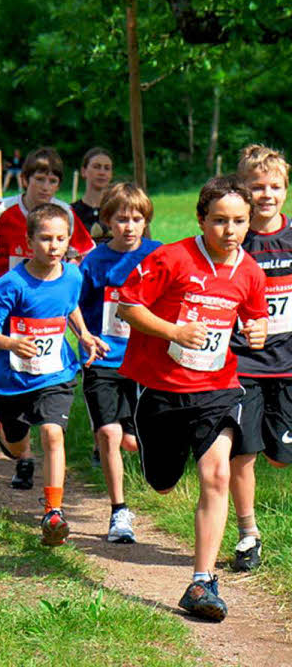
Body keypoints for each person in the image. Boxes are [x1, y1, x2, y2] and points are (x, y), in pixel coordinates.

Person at [117, 175, 267, 621]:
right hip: (160, 389)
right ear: (201, 219)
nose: (231, 230)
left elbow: (254, 321)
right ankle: (150, 452)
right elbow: (128, 306)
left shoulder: (251, 272)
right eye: (220, 220)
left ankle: (201, 582)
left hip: (216, 390)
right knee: (162, 482)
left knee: (216, 473)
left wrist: (256, 330)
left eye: (240, 221)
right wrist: (174, 332)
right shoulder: (172, 258)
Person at [0, 203, 105, 546]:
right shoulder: (11, 283)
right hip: (12, 378)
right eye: (45, 239)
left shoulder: (73, 274)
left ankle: (54, 512)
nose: (54, 245)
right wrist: (12, 343)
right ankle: (12, 441)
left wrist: (84, 334)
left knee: (53, 432)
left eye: (61, 238)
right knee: (17, 443)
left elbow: (70, 305)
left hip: (55, 372)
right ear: (29, 241)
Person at [77, 182, 161, 544]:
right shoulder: (95, 261)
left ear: (146, 222)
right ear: (107, 221)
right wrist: (84, 336)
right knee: (110, 433)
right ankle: (119, 511)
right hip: (103, 359)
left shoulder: (158, 255)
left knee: (131, 441)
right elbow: (73, 304)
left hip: (144, 360)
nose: (129, 226)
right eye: (121, 219)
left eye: (136, 219)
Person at [229, 145, 292, 573]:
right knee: (243, 453)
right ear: (244, 191)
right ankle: (248, 535)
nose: (266, 194)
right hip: (241, 365)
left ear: (286, 190)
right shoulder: (235, 239)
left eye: (275, 186)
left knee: (278, 456)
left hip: (287, 365)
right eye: (257, 187)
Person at [0, 147, 95, 282]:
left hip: (47, 294)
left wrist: (71, 269)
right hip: (6, 293)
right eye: (39, 179)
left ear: (58, 186)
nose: (45, 187)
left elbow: (87, 251)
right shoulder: (1, 209)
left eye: (52, 181)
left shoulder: (65, 214)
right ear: (25, 180)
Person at [71, 147, 113, 243]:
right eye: (96, 167)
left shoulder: (117, 211)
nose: (102, 172)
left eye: (107, 168)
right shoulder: (71, 213)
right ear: (83, 171)